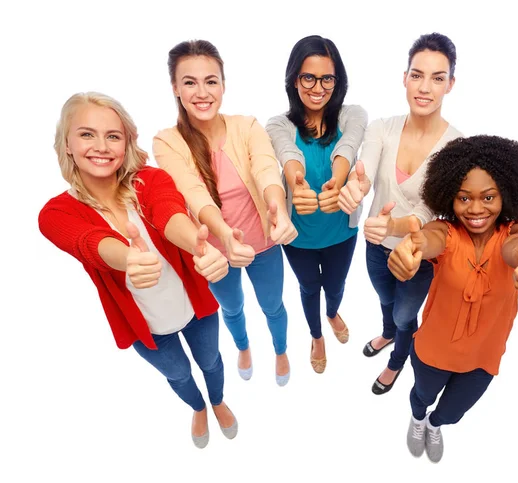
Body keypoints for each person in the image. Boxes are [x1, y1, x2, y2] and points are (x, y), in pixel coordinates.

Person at [38, 92, 237, 449]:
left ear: (127, 141)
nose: (101, 146)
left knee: (210, 361)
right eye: (87, 134)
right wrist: (128, 258)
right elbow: (88, 241)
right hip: (144, 325)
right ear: (66, 143)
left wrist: (197, 244)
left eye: (113, 135)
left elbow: (168, 212)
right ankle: (198, 407)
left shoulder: (150, 180)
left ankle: (218, 400)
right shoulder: (55, 213)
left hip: (194, 308)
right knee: (177, 374)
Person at [388, 134, 518, 462]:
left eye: (488, 197)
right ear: (450, 198)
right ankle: (418, 417)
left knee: (453, 412)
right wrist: (413, 248)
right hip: (434, 350)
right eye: (464, 198)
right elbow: (431, 239)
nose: (476, 209)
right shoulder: (447, 233)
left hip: (482, 358)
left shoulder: (512, 233)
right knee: (421, 395)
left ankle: (434, 424)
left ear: (506, 194)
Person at [153, 40, 297, 386]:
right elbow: (192, 190)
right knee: (232, 309)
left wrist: (278, 208)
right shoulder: (167, 141)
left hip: (263, 243)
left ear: (223, 85)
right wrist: (224, 235)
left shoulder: (246, 126)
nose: (202, 92)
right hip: (215, 253)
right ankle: (243, 346)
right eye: (190, 82)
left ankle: (280, 349)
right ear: (175, 87)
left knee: (273, 305)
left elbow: (265, 167)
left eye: (211, 81)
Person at [338, 33, 461, 393]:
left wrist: (398, 224)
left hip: (418, 256)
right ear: (404, 77)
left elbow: (432, 209)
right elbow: (365, 171)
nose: (425, 87)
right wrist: (355, 188)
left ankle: (396, 360)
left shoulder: (455, 146)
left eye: (438, 78)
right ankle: (388, 334)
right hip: (376, 246)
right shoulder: (381, 128)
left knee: (406, 314)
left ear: (450, 85)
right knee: (386, 301)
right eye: (417, 75)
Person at [266, 35, 367, 373]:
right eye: (308, 77)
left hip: (342, 231)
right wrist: (297, 181)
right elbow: (287, 152)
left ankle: (333, 313)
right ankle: (316, 335)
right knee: (309, 287)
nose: (318, 87)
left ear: (338, 81)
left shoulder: (353, 114)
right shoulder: (278, 123)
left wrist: (338, 182)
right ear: (294, 79)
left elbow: (349, 146)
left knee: (335, 287)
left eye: (327, 78)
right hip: (299, 237)